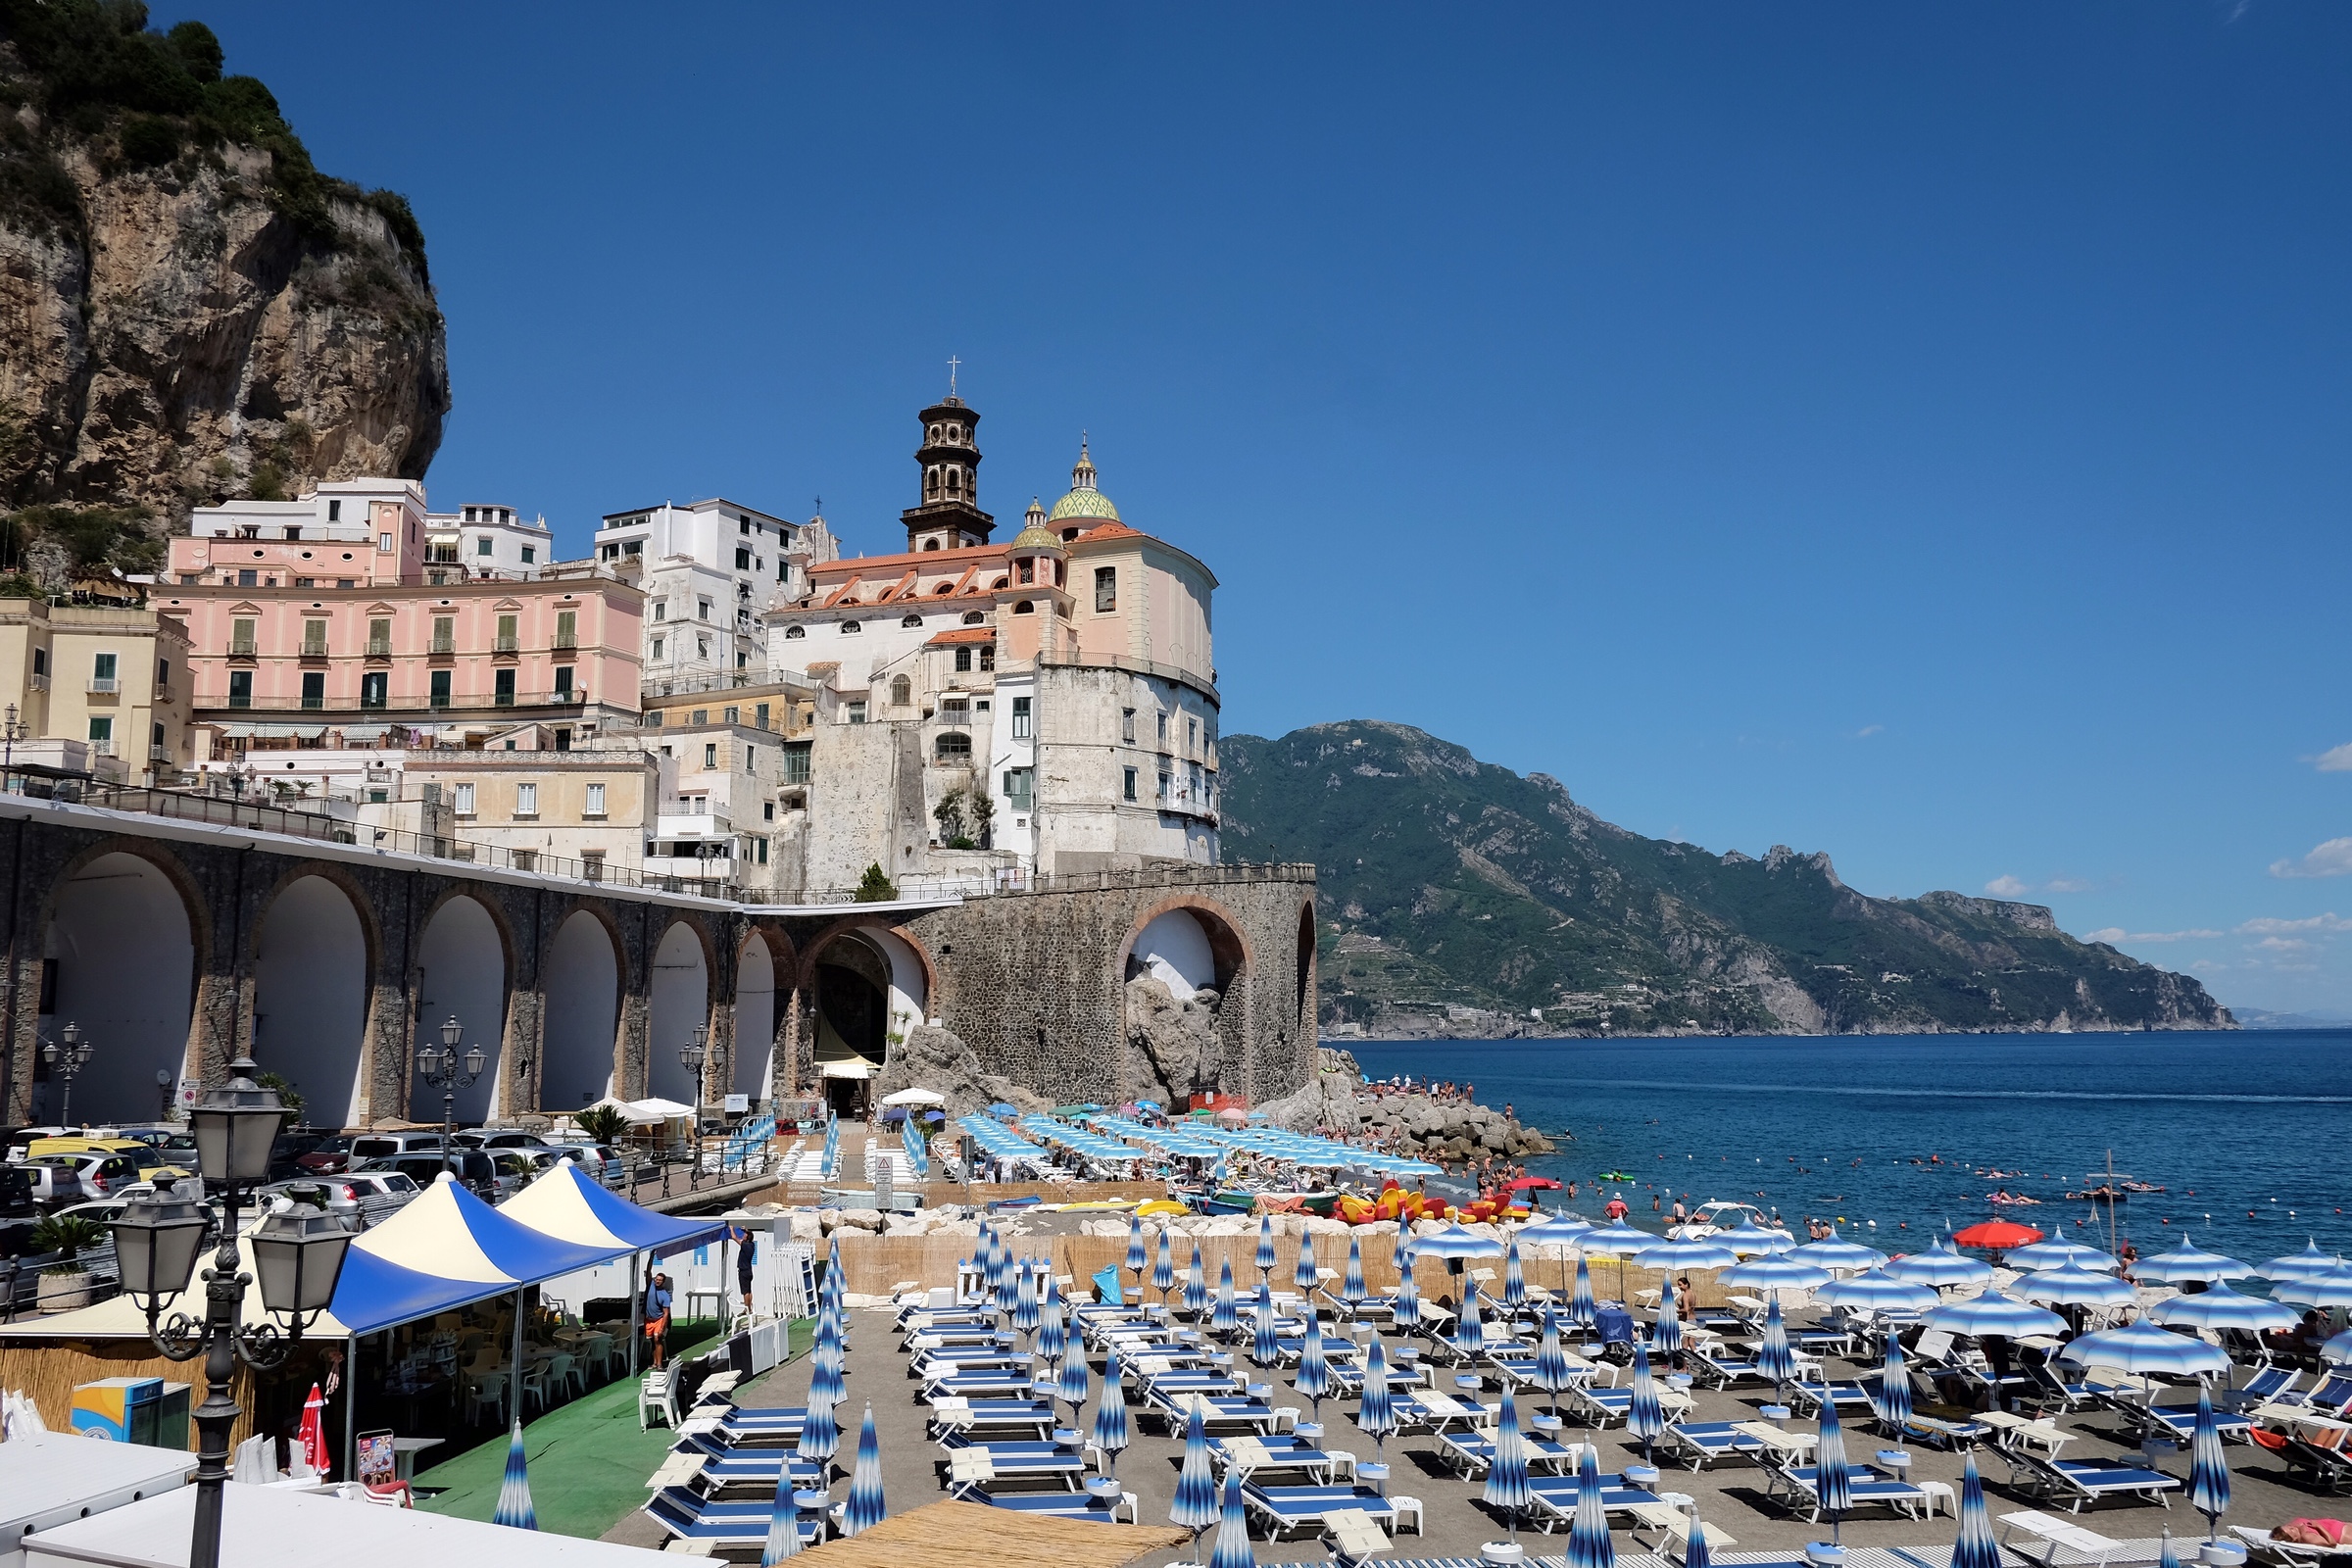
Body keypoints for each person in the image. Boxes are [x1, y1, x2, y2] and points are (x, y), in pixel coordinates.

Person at [645, 1269, 675, 1370]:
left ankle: (659, 1364)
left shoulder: (665, 1295)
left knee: (658, 1340)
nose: (657, 1281)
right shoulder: (651, 1286)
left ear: (663, 1282)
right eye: (656, 1279)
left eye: (660, 1280)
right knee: (653, 1341)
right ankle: (654, 1363)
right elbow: (648, 1273)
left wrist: (662, 1327)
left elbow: (666, 1313)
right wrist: (651, 1259)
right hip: (649, 1320)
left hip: (659, 1319)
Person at [728, 1223, 758, 1316]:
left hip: (743, 1271)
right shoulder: (752, 1245)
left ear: (747, 1238)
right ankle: (749, 1308)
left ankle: (747, 1309)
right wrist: (746, 1229)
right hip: (749, 1271)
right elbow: (750, 1235)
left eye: (745, 1235)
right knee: (749, 1290)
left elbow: (734, 1237)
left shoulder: (745, 1245)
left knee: (745, 1292)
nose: (743, 1235)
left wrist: (731, 1229)